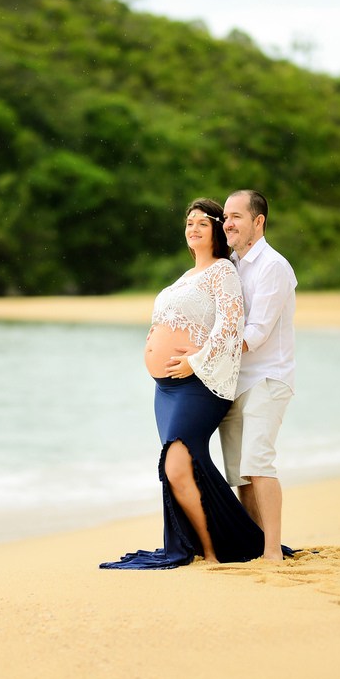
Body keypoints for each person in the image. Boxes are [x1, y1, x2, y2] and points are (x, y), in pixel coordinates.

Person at [101, 198, 270, 569]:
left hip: (199, 385)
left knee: (177, 463)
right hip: (166, 390)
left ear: (215, 232)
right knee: (181, 466)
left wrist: (193, 362)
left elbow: (230, 325)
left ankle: (211, 551)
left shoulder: (223, 271)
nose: (193, 228)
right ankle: (207, 545)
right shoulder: (184, 278)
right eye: (188, 222)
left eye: (202, 224)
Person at [215, 190, 297, 562]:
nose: (227, 223)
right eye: (226, 217)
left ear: (258, 221)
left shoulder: (273, 266)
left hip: (268, 377)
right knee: (240, 475)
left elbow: (256, 332)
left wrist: (205, 358)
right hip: (234, 381)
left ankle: (272, 553)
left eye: (236, 216)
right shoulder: (230, 264)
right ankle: (254, 546)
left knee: (258, 464)